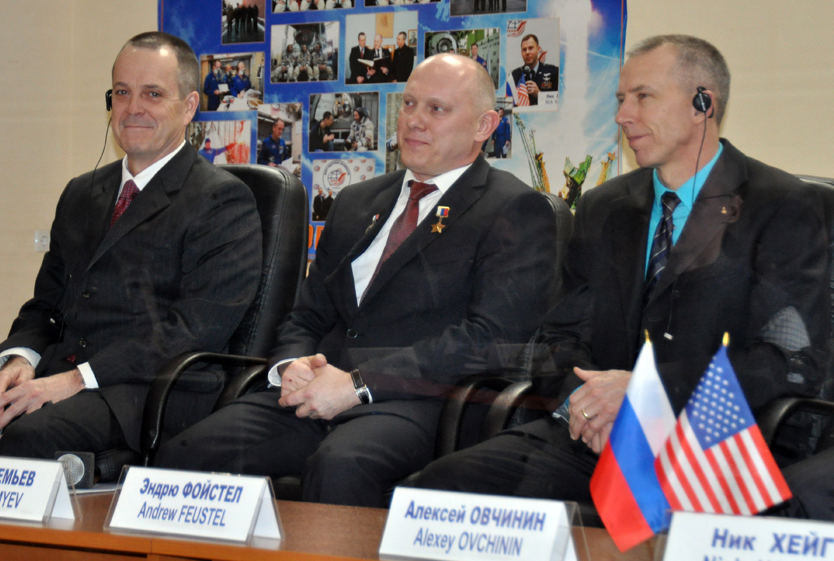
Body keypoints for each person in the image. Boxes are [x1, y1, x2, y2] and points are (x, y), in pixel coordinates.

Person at [414, 35, 831, 508]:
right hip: (596, 436)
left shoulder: (780, 205)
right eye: (620, 99)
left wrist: (646, 395)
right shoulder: (605, 206)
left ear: (703, 104)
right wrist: (589, 404)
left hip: (711, 441)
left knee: (635, 520)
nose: (622, 116)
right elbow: (558, 339)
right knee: (440, 489)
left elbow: (789, 361)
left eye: (643, 97)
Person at [155, 53, 560, 507]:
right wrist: (291, 365)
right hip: (317, 392)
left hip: (423, 404)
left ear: (484, 125)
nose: (414, 120)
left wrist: (359, 383)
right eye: (409, 104)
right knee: (183, 453)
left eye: (436, 109)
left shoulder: (514, 210)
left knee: (341, 465)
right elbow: (307, 314)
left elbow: (489, 338)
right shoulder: (355, 201)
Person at [0, 32, 262, 460]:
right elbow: (45, 306)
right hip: (57, 374)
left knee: (30, 436)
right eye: (122, 92)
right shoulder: (81, 193)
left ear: (189, 107)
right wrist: (21, 359)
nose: (133, 108)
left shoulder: (222, 200)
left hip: (146, 392)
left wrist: (76, 380)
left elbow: (190, 330)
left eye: (153, 94)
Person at [508, 34, 558, 106]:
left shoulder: (553, 72)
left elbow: (559, 101)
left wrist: (539, 94)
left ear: (538, 49)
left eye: (530, 48)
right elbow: (510, 103)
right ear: (521, 53)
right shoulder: (515, 75)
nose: (527, 52)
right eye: (524, 49)